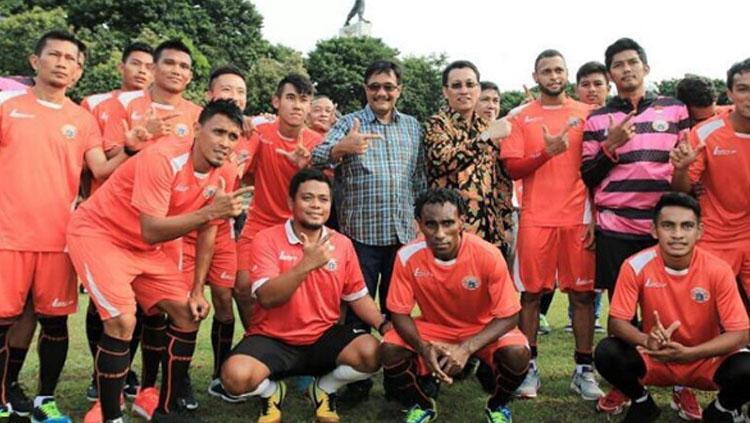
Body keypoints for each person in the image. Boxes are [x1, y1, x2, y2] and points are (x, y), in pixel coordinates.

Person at [68, 99, 250, 423]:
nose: (225, 142)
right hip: (101, 235)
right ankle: (112, 416)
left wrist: (196, 290)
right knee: (122, 321)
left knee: (188, 314)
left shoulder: (225, 170)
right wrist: (211, 212)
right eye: (218, 132)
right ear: (197, 129)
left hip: (144, 248)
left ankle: (166, 409)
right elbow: (152, 229)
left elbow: (208, 228)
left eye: (233, 136)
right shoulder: (163, 157)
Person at [0, 30, 146, 422]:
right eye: (55, 55)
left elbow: (99, 169)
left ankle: (45, 399)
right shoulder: (7, 106)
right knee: (3, 319)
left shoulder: (81, 120)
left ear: (80, 72)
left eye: (71, 59)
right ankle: (4, 396)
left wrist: (130, 147)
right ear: (35, 61)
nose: (63, 62)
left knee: (54, 320)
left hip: (58, 237)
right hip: (7, 235)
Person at [579, 38, 694, 417]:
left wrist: (680, 167)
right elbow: (588, 176)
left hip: (660, 230)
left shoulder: (674, 110)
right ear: (610, 74)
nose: (626, 69)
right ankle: (626, 384)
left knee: (672, 308)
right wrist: (610, 145)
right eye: (617, 65)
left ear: (646, 67)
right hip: (615, 227)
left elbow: (684, 182)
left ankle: (681, 383)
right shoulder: (597, 119)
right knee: (622, 316)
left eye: (632, 62)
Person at [221, 168, 384, 423]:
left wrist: (384, 325)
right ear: (291, 202)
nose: (316, 205)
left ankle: (325, 388)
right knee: (234, 378)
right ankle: (272, 391)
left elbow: (357, 296)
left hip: (322, 336)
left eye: (323, 199)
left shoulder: (341, 244)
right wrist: (306, 264)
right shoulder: (266, 239)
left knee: (373, 353)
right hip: (273, 339)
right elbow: (267, 297)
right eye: (307, 198)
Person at [311, 59, 426, 399]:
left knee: (399, 312)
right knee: (354, 312)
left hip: (402, 236)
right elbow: (315, 157)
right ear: (366, 89)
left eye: (388, 87)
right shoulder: (349, 122)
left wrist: (419, 226)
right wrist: (340, 149)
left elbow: (419, 179)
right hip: (359, 236)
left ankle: (397, 379)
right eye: (375, 86)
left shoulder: (412, 127)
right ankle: (354, 380)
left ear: (399, 90)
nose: (382, 92)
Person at [500, 49, 603, 401]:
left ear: (566, 74)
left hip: (578, 219)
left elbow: (598, 172)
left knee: (583, 296)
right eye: (547, 70)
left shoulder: (588, 114)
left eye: (559, 69)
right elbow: (512, 168)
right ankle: (529, 369)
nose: (553, 76)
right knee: (529, 295)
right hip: (536, 219)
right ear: (536, 75)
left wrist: (595, 215)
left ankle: (583, 371)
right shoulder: (520, 117)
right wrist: (547, 152)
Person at [594, 192, 750, 423]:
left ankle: (721, 409)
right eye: (668, 226)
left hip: (704, 360)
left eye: (686, 226)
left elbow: (740, 334)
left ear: (700, 231)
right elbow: (616, 322)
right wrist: (647, 340)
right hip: (655, 357)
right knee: (607, 352)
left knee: (747, 367)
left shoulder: (718, 269)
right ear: (654, 230)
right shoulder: (635, 265)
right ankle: (642, 403)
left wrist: (690, 353)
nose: (677, 234)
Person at [381, 188, 530, 423]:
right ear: (419, 224)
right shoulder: (407, 256)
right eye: (430, 224)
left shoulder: (488, 255)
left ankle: (497, 405)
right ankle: (422, 405)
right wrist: (423, 348)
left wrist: (466, 348)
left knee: (518, 353)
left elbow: (510, 316)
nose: (440, 233)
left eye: (448, 223)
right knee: (389, 347)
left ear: (462, 221)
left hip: (481, 328)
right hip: (434, 327)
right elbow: (399, 314)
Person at [79, 41, 154, 404]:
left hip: (140, 221)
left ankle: (123, 372)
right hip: (103, 222)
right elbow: (101, 163)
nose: (142, 71)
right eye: (135, 64)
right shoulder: (99, 105)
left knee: (133, 305)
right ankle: (100, 374)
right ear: (121, 67)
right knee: (103, 305)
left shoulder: (156, 109)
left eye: (148, 66)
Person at [180, 65, 258, 403]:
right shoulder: (199, 130)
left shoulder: (252, 132)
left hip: (222, 230)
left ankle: (220, 373)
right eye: (227, 90)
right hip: (184, 229)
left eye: (241, 92)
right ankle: (178, 376)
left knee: (224, 300)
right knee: (184, 304)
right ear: (210, 94)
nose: (235, 97)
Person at [233, 74, 321, 329]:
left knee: (304, 292)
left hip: (300, 228)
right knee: (243, 286)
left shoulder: (317, 143)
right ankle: (257, 340)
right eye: (290, 98)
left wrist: (306, 166)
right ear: (276, 102)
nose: (297, 105)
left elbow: (327, 189)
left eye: (304, 100)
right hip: (259, 223)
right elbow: (239, 166)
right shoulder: (259, 132)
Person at [671, 58, 750, 306]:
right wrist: (681, 169)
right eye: (743, 89)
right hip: (716, 236)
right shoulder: (706, 133)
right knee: (702, 312)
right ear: (730, 93)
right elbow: (681, 190)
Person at [540, 61, 610, 335]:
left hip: (607, 211)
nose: (591, 90)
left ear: (608, 86)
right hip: (569, 213)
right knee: (570, 283)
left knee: (597, 280)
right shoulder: (578, 119)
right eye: (585, 84)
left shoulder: (612, 119)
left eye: (598, 84)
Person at [423, 61, 514, 255]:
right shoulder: (437, 124)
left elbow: (501, 181)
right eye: (456, 85)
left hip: (490, 231)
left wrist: (505, 224)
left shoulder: (485, 126)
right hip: (450, 232)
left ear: (478, 89)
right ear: (445, 91)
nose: (464, 91)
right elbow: (443, 160)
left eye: (470, 85)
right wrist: (485, 138)